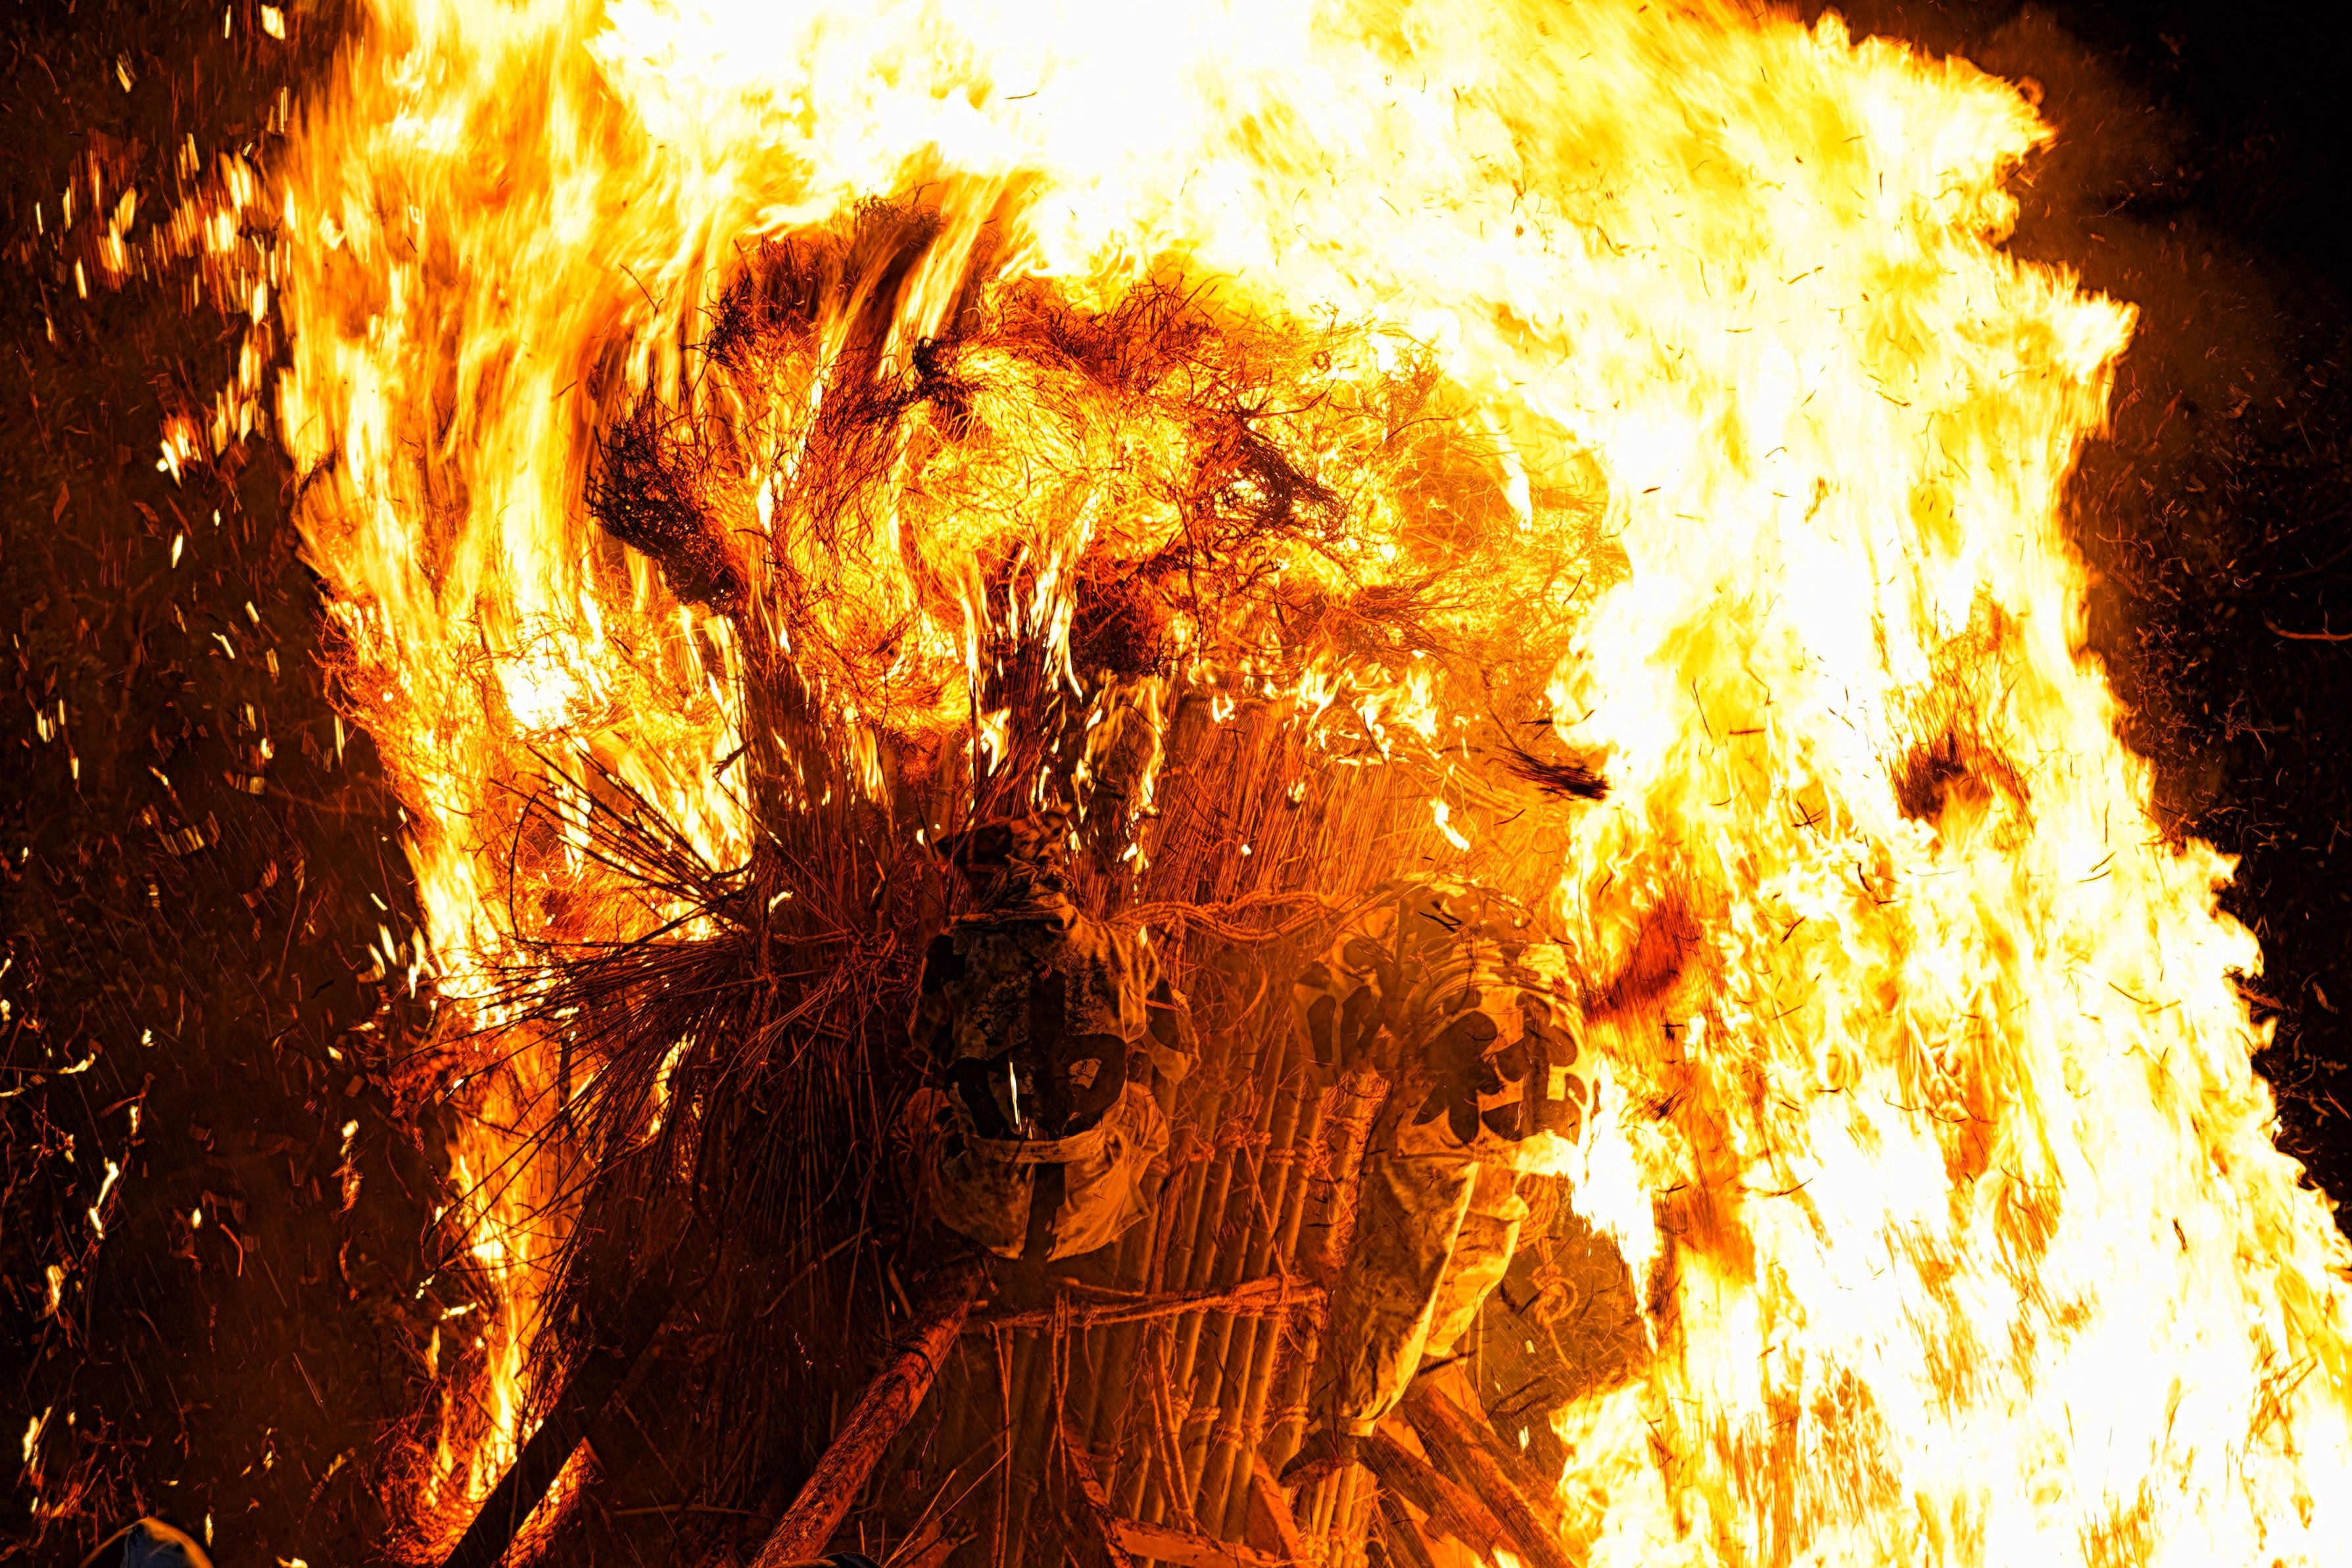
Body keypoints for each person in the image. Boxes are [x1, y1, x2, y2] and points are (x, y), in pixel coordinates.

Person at [1280, 879, 1611, 1485]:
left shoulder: (1376, 917)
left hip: (1467, 1060)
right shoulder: (1507, 912)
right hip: (1570, 1081)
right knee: (1487, 1210)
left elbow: (1322, 1020)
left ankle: (1345, 1423)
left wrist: (1343, 1061)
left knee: (1400, 1253)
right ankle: (1428, 1352)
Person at [913, 811, 1195, 1263]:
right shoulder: (1123, 950)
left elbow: (929, 1044)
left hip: (984, 1209)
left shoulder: (951, 949)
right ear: (1052, 871)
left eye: (973, 882)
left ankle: (930, 1246)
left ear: (996, 880)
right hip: (1090, 1206)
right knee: (1143, 1106)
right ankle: (1107, 1239)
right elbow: (1179, 1060)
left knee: (918, 1109)